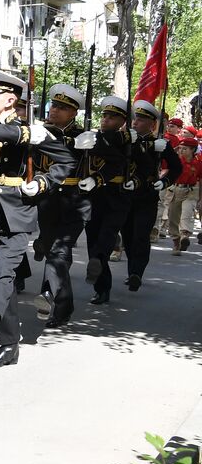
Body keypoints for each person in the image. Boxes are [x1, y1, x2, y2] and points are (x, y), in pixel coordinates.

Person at [0, 69, 72, 367]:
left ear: (10, 99)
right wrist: (24, 133)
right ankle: (8, 340)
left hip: (16, 211)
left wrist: (44, 182)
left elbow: (66, 160)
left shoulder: (36, 132)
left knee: (2, 273)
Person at [31, 84, 89, 328]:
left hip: (75, 201)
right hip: (47, 200)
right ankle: (61, 302)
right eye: (54, 105)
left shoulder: (84, 136)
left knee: (59, 253)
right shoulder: (40, 132)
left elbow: (113, 160)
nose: (54, 110)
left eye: (62, 108)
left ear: (74, 113)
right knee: (49, 248)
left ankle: (50, 297)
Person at [78, 96, 135, 305]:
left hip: (119, 195)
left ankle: (99, 269)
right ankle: (102, 286)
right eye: (104, 115)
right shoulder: (95, 137)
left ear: (122, 121)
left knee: (106, 236)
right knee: (93, 239)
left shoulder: (129, 140)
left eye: (112, 117)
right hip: (95, 195)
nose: (105, 120)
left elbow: (144, 166)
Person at [120, 101, 183, 289]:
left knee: (141, 235)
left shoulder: (160, 144)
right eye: (135, 119)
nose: (135, 123)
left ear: (152, 124)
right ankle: (132, 269)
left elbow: (176, 168)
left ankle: (136, 273)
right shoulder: (125, 140)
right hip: (124, 196)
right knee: (128, 235)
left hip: (146, 195)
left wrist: (164, 182)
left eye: (141, 120)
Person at [166, 136, 201, 253]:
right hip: (176, 189)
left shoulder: (198, 163)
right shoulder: (175, 161)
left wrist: (201, 198)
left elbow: (200, 180)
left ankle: (185, 235)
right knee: (173, 217)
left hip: (191, 191)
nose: (181, 151)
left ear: (193, 150)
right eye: (180, 148)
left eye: (185, 148)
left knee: (187, 212)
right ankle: (176, 241)